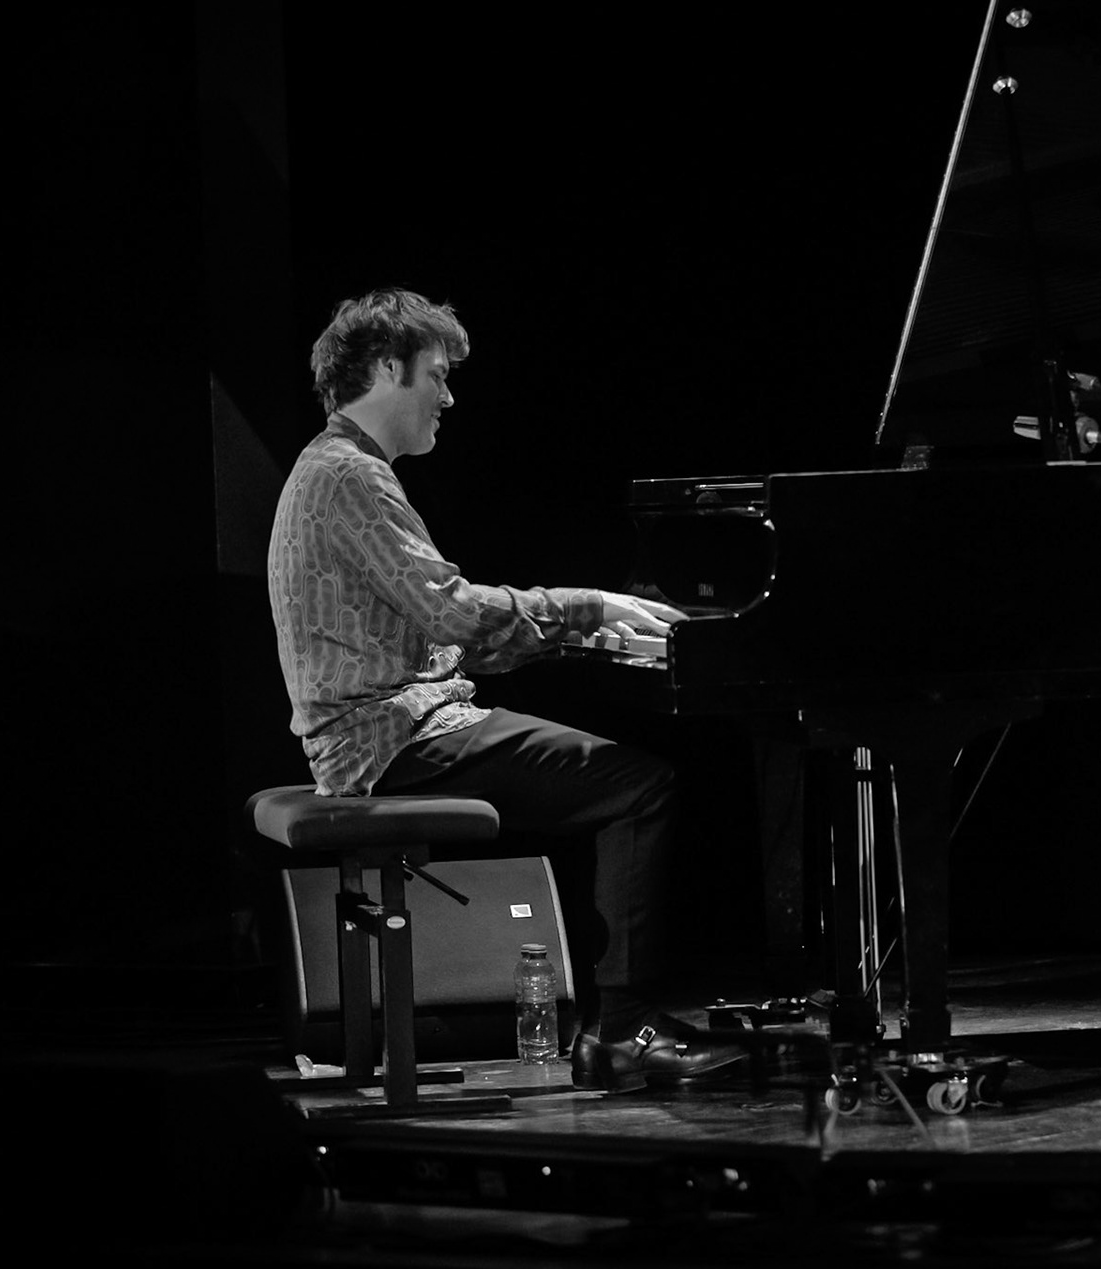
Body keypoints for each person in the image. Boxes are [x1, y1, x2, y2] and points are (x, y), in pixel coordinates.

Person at [267, 286, 745, 1093]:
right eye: (437, 375)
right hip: (390, 739)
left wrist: (592, 634)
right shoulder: (348, 476)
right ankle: (622, 1032)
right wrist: (586, 604)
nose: (448, 397)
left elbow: (436, 633)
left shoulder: (335, 469)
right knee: (638, 786)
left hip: (392, 725)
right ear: (388, 367)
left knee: (606, 786)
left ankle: (611, 1022)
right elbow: (453, 614)